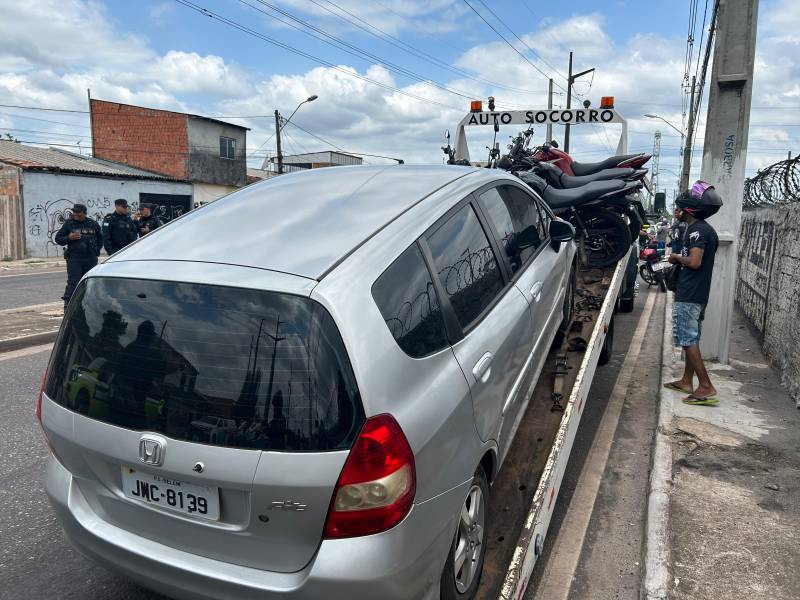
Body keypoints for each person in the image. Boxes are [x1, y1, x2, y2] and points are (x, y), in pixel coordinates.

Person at [664, 181, 723, 406]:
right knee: (692, 338)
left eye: (679, 207)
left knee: (687, 339)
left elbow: (695, 262)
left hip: (690, 293)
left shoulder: (698, 231)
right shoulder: (702, 229)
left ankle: (706, 386)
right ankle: (687, 381)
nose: (676, 211)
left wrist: (676, 258)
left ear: (689, 209)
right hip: (696, 293)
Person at [54, 203, 102, 310]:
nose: (75, 214)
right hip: (74, 258)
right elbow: (58, 239)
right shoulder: (69, 224)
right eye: (74, 212)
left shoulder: (92, 224)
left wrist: (96, 251)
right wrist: (69, 237)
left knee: (89, 281)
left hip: (90, 258)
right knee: (74, 281)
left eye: (78, 212)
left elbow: (100, 238)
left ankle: (88, 302)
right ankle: (68, 304)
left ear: (84, 213)